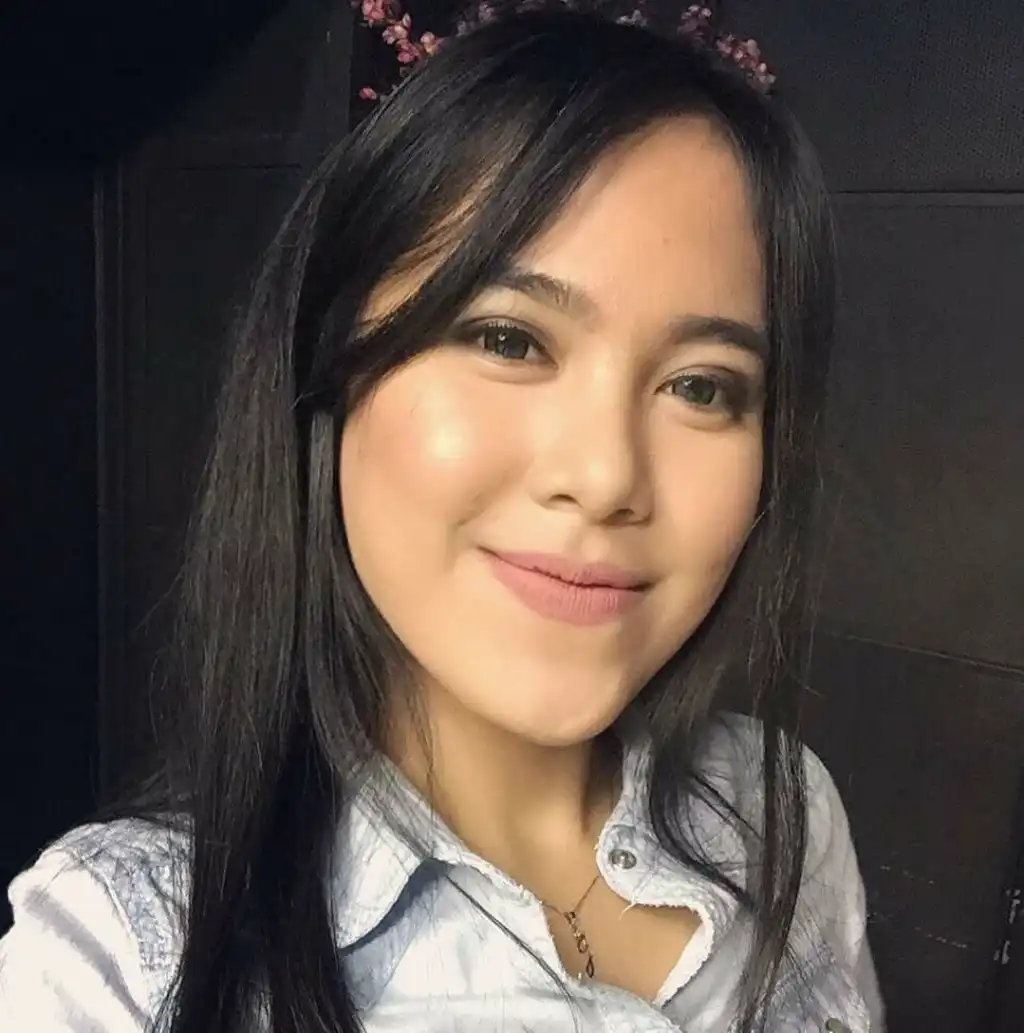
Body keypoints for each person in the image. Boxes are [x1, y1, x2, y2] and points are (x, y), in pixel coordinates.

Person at [0, 2, 885, 1031]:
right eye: (509, 339)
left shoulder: (783, 811)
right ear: (329, 371)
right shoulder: (115, 960)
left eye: (700, 386)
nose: (606, 476)